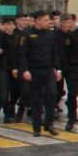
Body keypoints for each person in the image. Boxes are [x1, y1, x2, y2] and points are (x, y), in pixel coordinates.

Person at [25, 9, 65, 137]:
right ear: (36, 21)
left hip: (48, 69)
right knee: (37, 99)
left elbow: (55, 53)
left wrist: (57, 69)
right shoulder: (27, 34)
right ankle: (36, 127)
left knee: (52, 95)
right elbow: (22, 55)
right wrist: (25, 70)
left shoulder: (50, 34)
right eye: (45, 20)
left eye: (49, 20)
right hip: (34, 70)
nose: (48, 22)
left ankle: (49, 124)